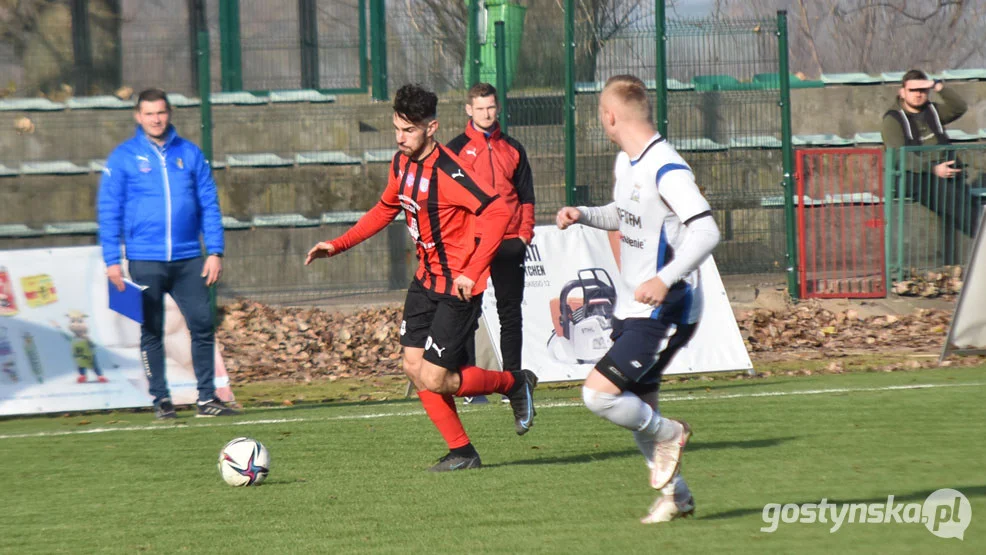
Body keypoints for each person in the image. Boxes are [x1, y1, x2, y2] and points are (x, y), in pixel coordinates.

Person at [306, 83, 538, 472]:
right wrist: (339, 244)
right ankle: (463, 452)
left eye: (409, 130)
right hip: (425, 282)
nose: (401, 138)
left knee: (435, 375)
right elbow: (384, 209)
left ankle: (513, 383)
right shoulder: (400, 164)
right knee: (414, 368)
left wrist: (473, 269)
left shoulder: (450, 171)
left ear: (432, 128)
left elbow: (497, 212)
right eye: (397, 128)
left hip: (458, 289)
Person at [556, 75, 720, 523]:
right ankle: (677, 496)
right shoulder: (627, 164)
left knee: (599, 395)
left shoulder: (666, 167)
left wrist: (666, 279)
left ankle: (672, 433)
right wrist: (585, 214)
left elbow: (707, 230)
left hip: (667, 308)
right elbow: (627, 215)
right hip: (634, 306)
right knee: (636, 406)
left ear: (609, 116)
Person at [97, 88, 238, 419]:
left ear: (169, 113)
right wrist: (111, 260)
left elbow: (209, 205)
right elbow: (109, 210)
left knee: (202, 324)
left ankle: (207, 398)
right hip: (145, 259)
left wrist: (215, 250)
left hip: (189, 258)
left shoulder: (189, 154)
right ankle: (161, 399)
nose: (155, 119)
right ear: (138, 116)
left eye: (160, 112)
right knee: (152, 328)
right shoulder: (123, 157)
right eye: (148, 114)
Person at [446, 83, 535, 387]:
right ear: (469, 110)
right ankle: (470, 383)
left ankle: (513, 381)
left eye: (491, 107)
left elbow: (526, 197)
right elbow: (448, 199)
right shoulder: (455, 149)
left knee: (510, 314)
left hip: (510, 243)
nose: (486, 113)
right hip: (474, 246)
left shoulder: (513, 147)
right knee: (466, 312)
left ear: (498, 108)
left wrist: (524, 235)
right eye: (480, 108)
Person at [881, 69, 970, 264]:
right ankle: (979, 233)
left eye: (923, 89)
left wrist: (938, 86)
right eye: (913, 90)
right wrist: (933, 170)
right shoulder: (893, 119)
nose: (919, 94)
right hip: (913, 175)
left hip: (942, 169)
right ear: (902, 92)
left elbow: (959, 107)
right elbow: (898, 156)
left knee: (966, 198)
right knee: (956, 203)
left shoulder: (932, 111)